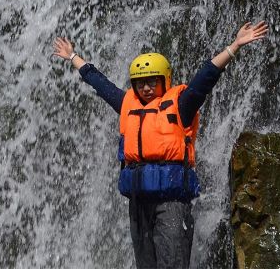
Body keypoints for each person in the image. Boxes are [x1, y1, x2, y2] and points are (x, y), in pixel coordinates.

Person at [51, 21, 268, 269]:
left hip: (171, 202)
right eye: (140, 82)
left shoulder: (181, 105)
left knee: (172, 263)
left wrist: (235, 45)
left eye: (152, 81)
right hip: (139, 201)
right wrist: (73, 57)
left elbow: (205, 78)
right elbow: (101, 84)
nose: (146, 87)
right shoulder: (127, 105)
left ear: (164, 80)